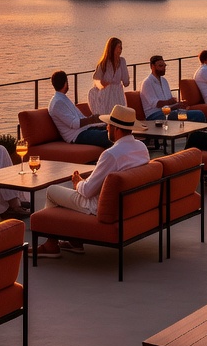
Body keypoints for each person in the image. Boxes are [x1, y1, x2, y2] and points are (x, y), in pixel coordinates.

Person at [35, 104, 150, 258]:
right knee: (72, 190)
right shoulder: (141, 148)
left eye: (108, 125)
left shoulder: (111, 154)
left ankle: (51, 245)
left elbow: (88, 191)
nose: (106, 128)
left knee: (52, 191)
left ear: (116, 128)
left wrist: (78, 182)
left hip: (99, 206)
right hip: (127, 203)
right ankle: (75, 242)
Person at [48, 70, 113, 148]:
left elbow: (79, 119)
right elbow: (74, 124)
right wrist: (92, 119)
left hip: (84, 130)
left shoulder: (61, 98)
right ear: (66, 83)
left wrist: (96, 122)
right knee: (111, 136)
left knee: (116, 129)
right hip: (76, 135)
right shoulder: (57, 103)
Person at [141, 54, 207, 122]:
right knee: (194, 115)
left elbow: (169, 103)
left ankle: (195, 132)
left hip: (168, 112)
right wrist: (170, 102)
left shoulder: (164, 81)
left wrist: (178, 104)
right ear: (152, 66)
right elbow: (156, 104)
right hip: (155, 115)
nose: (163, 68)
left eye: (164, 66)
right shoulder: (147, 83)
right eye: (160, 66)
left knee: (198, 113)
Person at [87, 37, 129, 119]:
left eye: (121, 47)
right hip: (106, 94)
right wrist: (103, 85)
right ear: (112, 48)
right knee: (107, 118)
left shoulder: (122, 61)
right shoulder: (104, 63)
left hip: (117, 94)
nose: (120, 50)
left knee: (119, 118)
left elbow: (126, 82)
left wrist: (126, 78)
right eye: (119, 47)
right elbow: (96, 79)